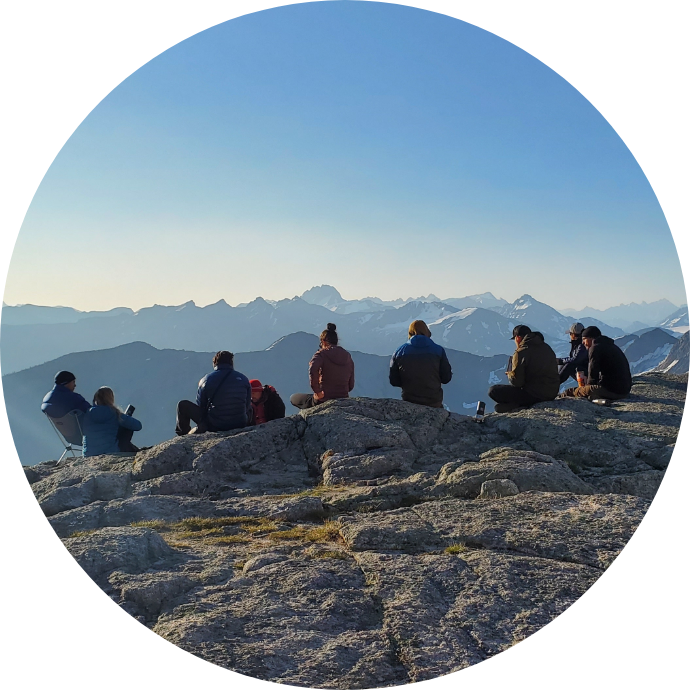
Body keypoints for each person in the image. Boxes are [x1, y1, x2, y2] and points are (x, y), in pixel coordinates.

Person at [176, 350, 251, 435]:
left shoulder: (207, 379)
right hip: (240, 423)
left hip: (216, 425)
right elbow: (247, 405)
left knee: (182, 405)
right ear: (231, 362)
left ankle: (183, 436)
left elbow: (201, 405)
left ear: (215, 363)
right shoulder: (244, 379)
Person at [488, 325, 560, 412]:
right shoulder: (546, 347)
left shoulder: (521, 352)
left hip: (535, 394)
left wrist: (510, 374)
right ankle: (517, 405)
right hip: (552, 392)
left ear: (518, 338)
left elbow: (517, 382)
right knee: (499, 407)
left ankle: (519, 405)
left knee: (493, 391)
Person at [389, 320, 452, 408]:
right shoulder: (438, 350)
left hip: (409, 401)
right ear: (427, 332)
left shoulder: (399, 352)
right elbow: (446, 378)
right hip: (433, 401)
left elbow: (394, 381)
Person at [290, 323, 354, 409]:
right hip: (343, 398)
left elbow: (312, 370)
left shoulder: (321, 354)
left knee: (293, 398)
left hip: (323, 399)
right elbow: (351, 385)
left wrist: (318, 392)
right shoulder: (348, 356)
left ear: (323, 341)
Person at [559, 326, 632, 401]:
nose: (583, 343)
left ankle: (559, 399)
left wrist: (586, 388)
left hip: (612, 391)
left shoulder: (594, 348)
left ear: (591, 338)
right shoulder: (610, 345)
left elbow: (593, 374)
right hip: (624, 390)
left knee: (571, 391)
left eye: (584, 339)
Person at [82, 386, 142, 457]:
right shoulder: (114, 413)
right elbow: (138, 426)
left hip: (88, 454)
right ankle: (132, 451)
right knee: (127, 428)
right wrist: (124, 417)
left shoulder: (88, 413)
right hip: (110, 452)